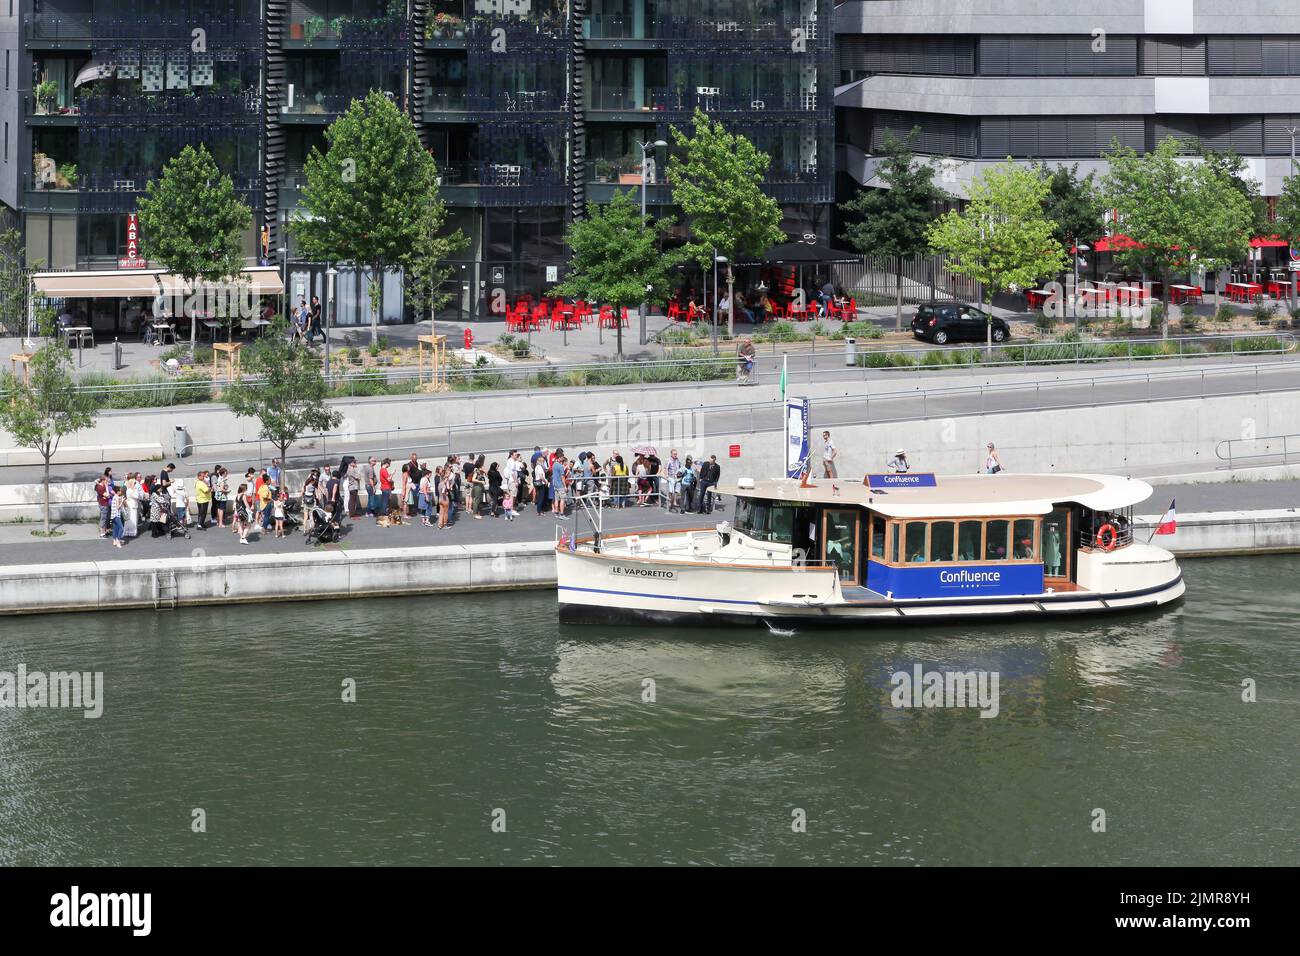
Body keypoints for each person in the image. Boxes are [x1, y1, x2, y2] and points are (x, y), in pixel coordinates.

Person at [95, 468, 114, 537]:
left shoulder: (101, 486)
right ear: (103, 480)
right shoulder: (100, 487)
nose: (107, 482)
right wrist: (106, 487)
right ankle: (102, 533)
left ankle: (105, 531)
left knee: (105, 518)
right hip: (103, 504)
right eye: (106, 481)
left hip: (104, 503)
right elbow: (108, 495)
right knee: (103, 518)